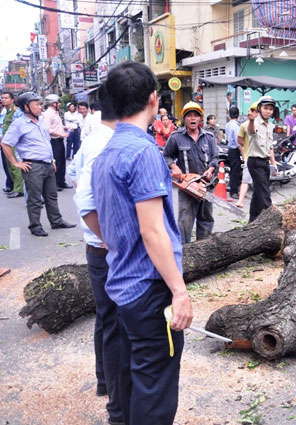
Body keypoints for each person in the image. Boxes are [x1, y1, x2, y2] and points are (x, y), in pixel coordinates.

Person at [90, 61, 193, 425]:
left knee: (136, 377)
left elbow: (102, 221)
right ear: (153, 98)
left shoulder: (105, 156)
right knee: (156, 388)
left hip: (121, 285)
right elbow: (153, 232)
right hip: (148, 292)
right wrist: (179, 292)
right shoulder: (144, 152)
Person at [72, 84, 124, 425]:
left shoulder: (91, 141)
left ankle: (105, 381)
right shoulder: (106, 144)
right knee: (116, 323)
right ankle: (116, 397)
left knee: (106, 318)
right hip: (107, 249)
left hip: (98, 246)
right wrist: (111, 240)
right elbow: (85, 201)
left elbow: (73, 177)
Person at [1, 92, 76, 236]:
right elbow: (5, 144)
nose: (40, 107)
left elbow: (46, 142)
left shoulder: (41, 121)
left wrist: (52, 160)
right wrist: (16, 163)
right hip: (33, 166)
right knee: (35, 199)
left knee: (51, 196)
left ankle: (56, 221)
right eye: (36, 104)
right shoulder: (19, 123)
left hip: (48, 164)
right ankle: (35, 226)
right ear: (26, 107)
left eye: (39, 104)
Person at [163, 101, 218, 244]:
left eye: (196, 116)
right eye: (189, 116)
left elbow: (215, 158)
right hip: (187, 187)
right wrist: (175, 168)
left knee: (206, 219)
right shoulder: (176, 137)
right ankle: (184, 253)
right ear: (184, 119)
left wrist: (211, 169)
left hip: (205, 185)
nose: (192, 118)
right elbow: (166, 155)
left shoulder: (209, 137)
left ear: (200, 119)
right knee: (184, 222)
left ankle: (203, 250)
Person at [246, 96, 278, 222]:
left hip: (265, 162)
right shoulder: (255, 121)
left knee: (257, 194)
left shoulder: (270, 125)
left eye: (271, 109)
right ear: (259, 108)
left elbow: (270, 148)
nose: (268, 111)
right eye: (265, 108)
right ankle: (273, 220)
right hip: (255, 161)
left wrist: (274, 164)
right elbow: (251, 131)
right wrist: (251, 121)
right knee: (265, 193)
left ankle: (252, 222)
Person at [42, 94, 72, 190]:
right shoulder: (48, 114)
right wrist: (62, 134)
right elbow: (48, 129)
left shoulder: (55, 113)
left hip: (59, 140)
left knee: (61, 162)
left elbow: (56, 125)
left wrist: (64, 128)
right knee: (56, 162)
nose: (59, 104)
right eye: (58, 102)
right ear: (53, 103)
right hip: (54, 141)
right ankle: (55, 183)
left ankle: (61, 181)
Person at [234, 102, 258, 209]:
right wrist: (248, 146)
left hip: (261, 158)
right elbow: (239, 140)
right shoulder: (244, 125)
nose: (255, 113)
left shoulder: (265, 125)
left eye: (257, 111)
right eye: (254, 111)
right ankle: (241, 200)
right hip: (250, 157)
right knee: (245, 180)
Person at [1, 92, 24, 198]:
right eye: (2, 98)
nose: (3, 100)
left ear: (12, 100)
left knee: (15, 166)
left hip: (13, 142)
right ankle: (15, 187)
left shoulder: (16, 111)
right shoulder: (7, 111)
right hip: (7, 142)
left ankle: (19, 189)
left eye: (6, 98)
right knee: (10, 166)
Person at [225, 106, 241, 199]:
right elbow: (238, 142)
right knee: (235, 171)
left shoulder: (228, 124)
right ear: (238, 115)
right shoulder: (236, 126)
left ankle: (234, 190)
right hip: (235, 150)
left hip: (230, 149)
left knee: (233, 170)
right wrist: (243, 153)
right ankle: (234, 191)